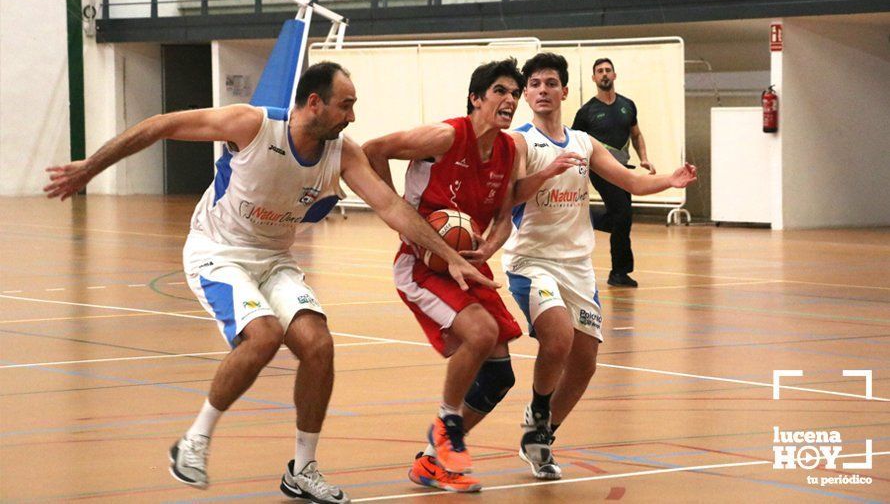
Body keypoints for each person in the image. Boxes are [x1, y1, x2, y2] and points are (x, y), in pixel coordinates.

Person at [44, 62, 496, 504]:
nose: (353, 116)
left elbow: (392, 207)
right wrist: (90, 167)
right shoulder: (252, 125)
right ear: (313, 103)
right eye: (346, 105)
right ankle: (194, 440)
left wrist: (450, 256)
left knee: (318, 346)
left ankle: (303, 469)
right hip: (216, 252)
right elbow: (160, 124)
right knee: (263, 336)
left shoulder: (344, 152)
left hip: (275, 259)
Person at [506, 53, 697, 479]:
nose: (541, 90)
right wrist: (546, 172)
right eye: (534, 84)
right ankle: (537, 409)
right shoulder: (518, 142)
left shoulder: (583, 142)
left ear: (564, 91)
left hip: (577, 266)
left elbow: (629, 181)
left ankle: (541, 437)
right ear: (526, 95)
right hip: (531, 260)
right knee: (556, 337)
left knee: (586, 361)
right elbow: (511, 197)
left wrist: (669, 179)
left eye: (550, 83)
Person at [362, 58, 540, 493]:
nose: (510, 100)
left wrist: (488, 249)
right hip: (422, 263)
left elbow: (503, 217)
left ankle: (430, 461)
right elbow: (372, 150)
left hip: (467, 264)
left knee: (500, 377)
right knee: (479, 333)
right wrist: (398, 214)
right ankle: (447, 423)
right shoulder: (444, 136)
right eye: (500, 91)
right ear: (476, 98)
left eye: (514, 94)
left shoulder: (509, 150)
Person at [572, 58, 655, 288]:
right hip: (602, 171)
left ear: (614, 75)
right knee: (622, 213)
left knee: (622, 219)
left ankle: (582, 217)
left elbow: (636, 134)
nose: (604, 74)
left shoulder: (627, 105)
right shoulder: (587, 111)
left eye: (608, 70)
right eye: (600, 71)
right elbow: (574, 143)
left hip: (624, 169)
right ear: (594, 78)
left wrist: (644, 158)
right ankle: (619, 273)